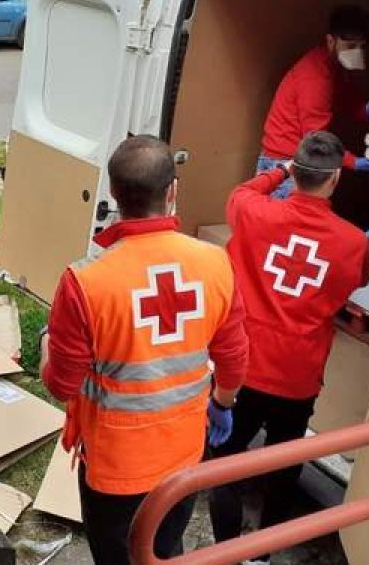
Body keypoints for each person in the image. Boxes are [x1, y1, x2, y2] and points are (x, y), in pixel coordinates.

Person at [41, 135, 249, 565]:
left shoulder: (85, 282)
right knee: (166, 549)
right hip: (185, 454)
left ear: (114, 194)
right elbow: (233, 356)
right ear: (172, 192)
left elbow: (62, 384)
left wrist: (46, 345)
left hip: (116, 467)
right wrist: (223, 403)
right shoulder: (214, 262)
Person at [210, 131, 369, 564]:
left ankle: (226, 549)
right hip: (298, 376)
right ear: (335, 178)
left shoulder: (253, 212)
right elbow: (356, 284)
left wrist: (278, 169)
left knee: (223, 460)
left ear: (293, 173)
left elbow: (244, 190)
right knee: (285, 465)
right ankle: (260, 557)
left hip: (243, 366)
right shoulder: (354, 242)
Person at [259, 5, 369, 198]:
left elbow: (348, 99)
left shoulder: (334, 65)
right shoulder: (315, 79)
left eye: (362, 47)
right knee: (288, 227)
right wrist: (355, 162)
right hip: (287, 165)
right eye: (351, 46)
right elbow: (316, 140)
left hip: (302, 159)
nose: (357, 53)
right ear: (331, 41)